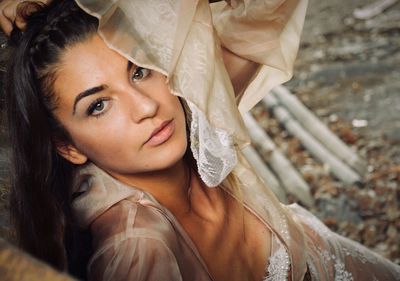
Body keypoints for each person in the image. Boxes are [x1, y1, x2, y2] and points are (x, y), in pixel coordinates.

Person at [1, 0, 400, 280]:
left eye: (140, 70)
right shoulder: (137, 250)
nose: (145, 107)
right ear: (67, 146)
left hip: (332, 258)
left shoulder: (194, 107)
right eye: (99, 105)